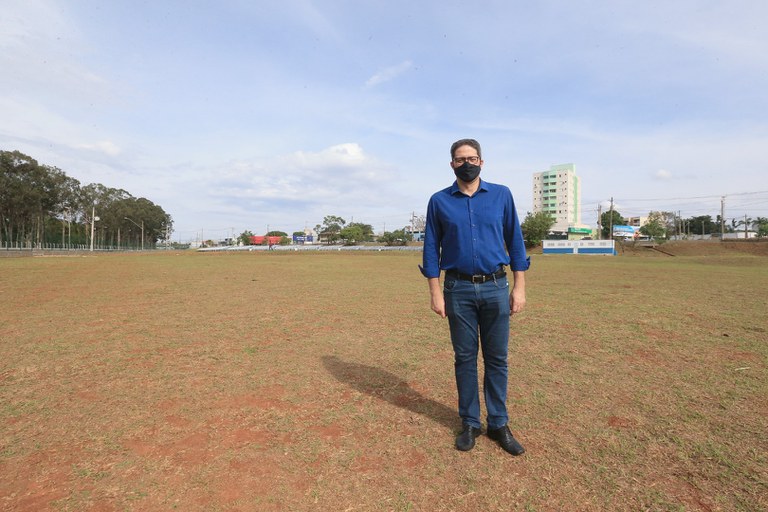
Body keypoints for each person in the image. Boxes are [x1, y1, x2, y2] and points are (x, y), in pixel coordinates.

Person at [420, 138, 529, 455]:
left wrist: (519, 286)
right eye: (460, 159)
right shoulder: (439, 201)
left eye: (471, 158)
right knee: (465, 358)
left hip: (496, 286)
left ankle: (498, 423)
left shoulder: (501, 195)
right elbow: (431, 248)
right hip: (458, 289)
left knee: (497, 358)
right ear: (451, 164)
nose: (466, 164)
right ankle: (470, 422)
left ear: (481, 161)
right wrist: (435, 292)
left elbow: (515, 241)